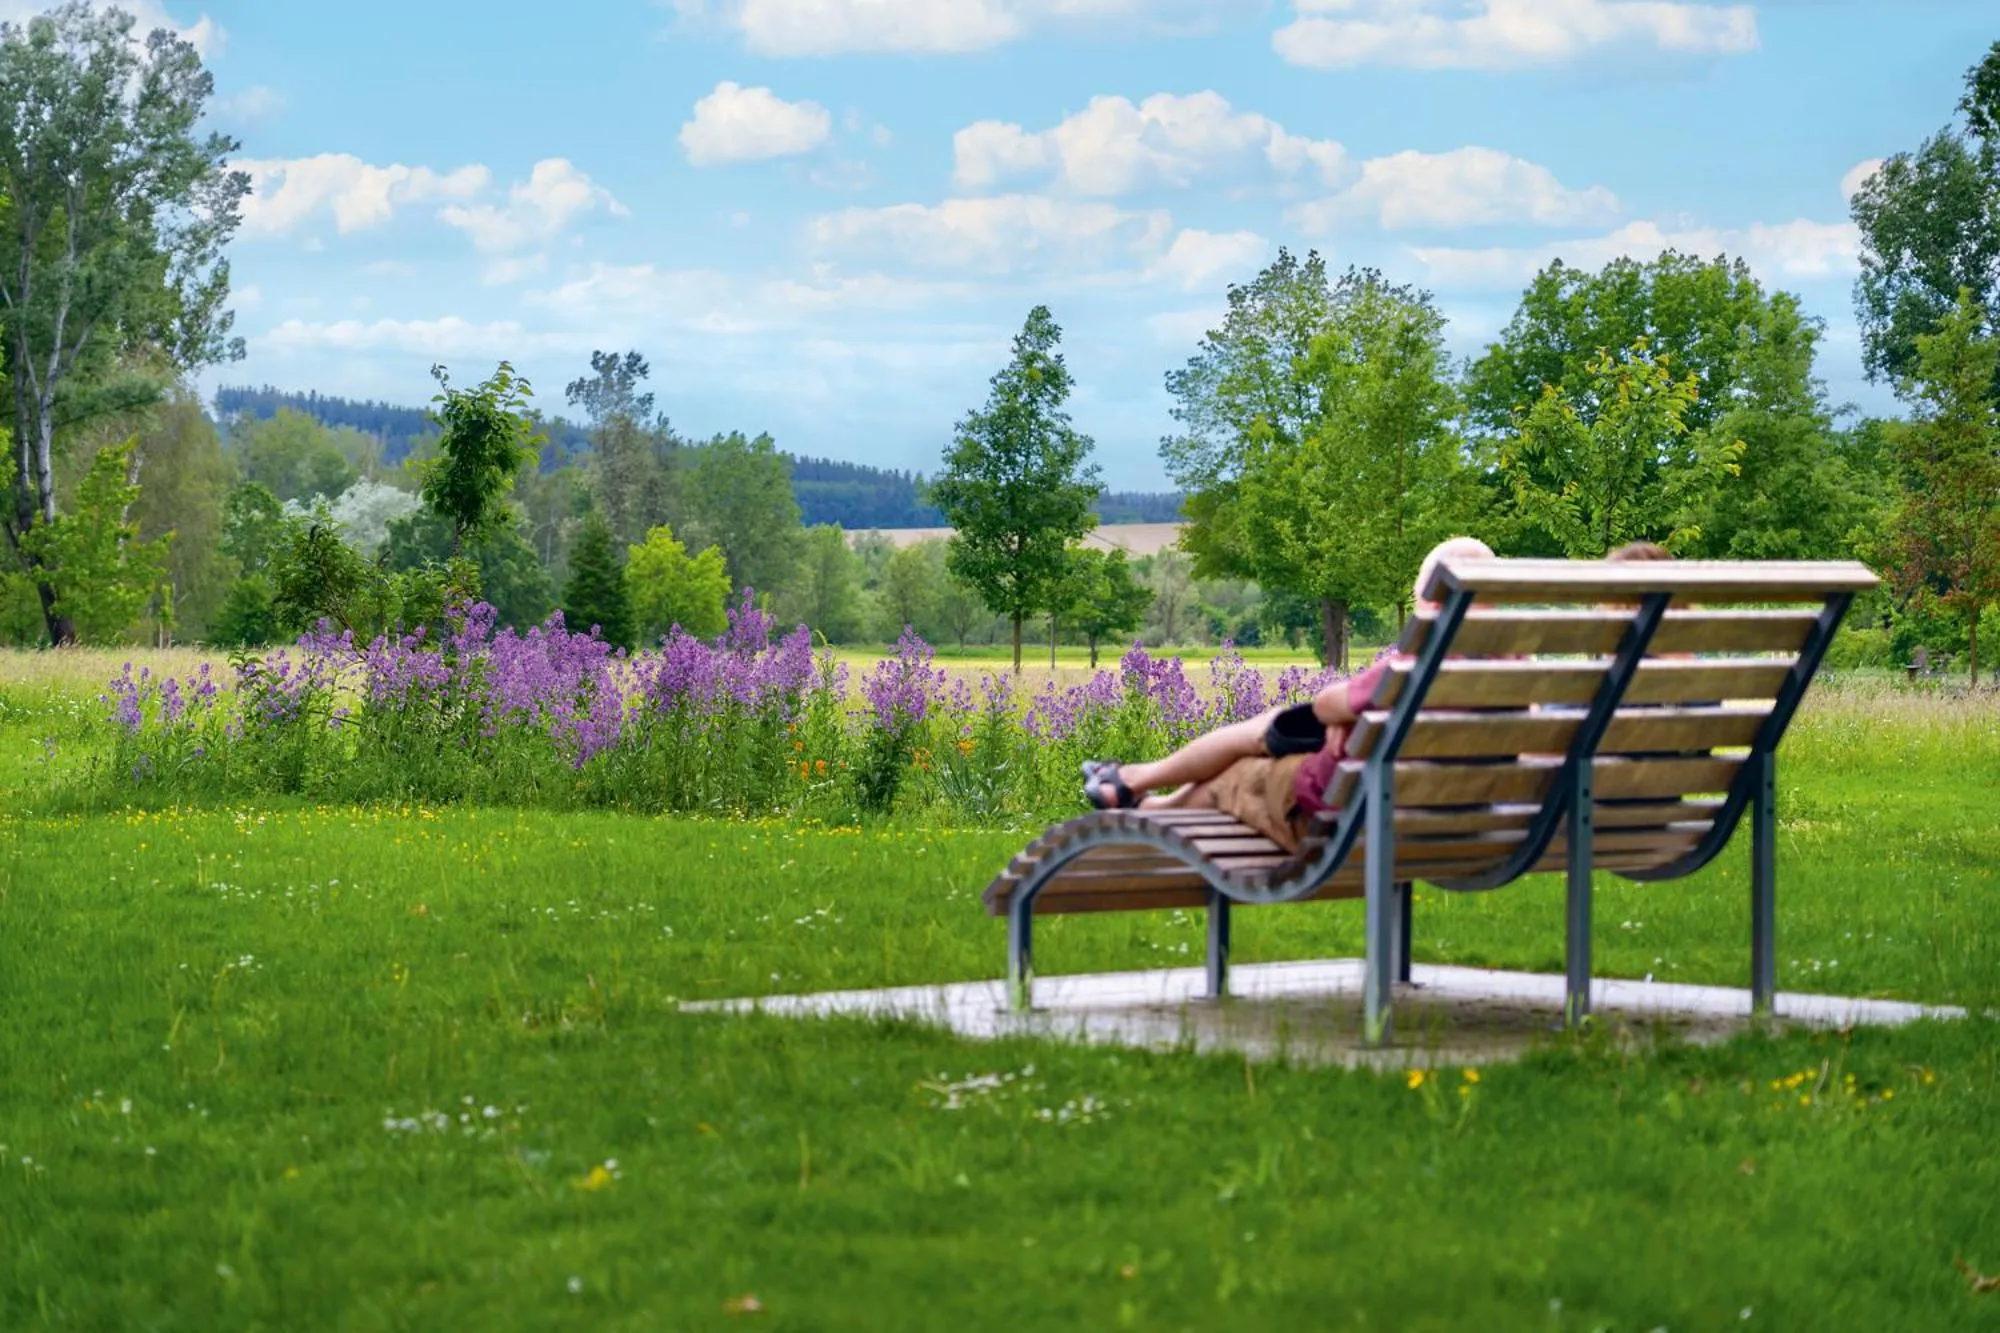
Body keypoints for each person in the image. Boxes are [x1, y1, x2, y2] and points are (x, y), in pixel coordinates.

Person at [1081, 536, 1496, 853]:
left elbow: (1326, 704)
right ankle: (1137, 784)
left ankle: (1147, 806)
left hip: (1351, 817)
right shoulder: (1519, 673)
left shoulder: (1419, 667)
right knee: (1272, 729)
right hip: (1456, 822)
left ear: (1428, 600)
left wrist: (1342, 716)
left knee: (1239, 772)